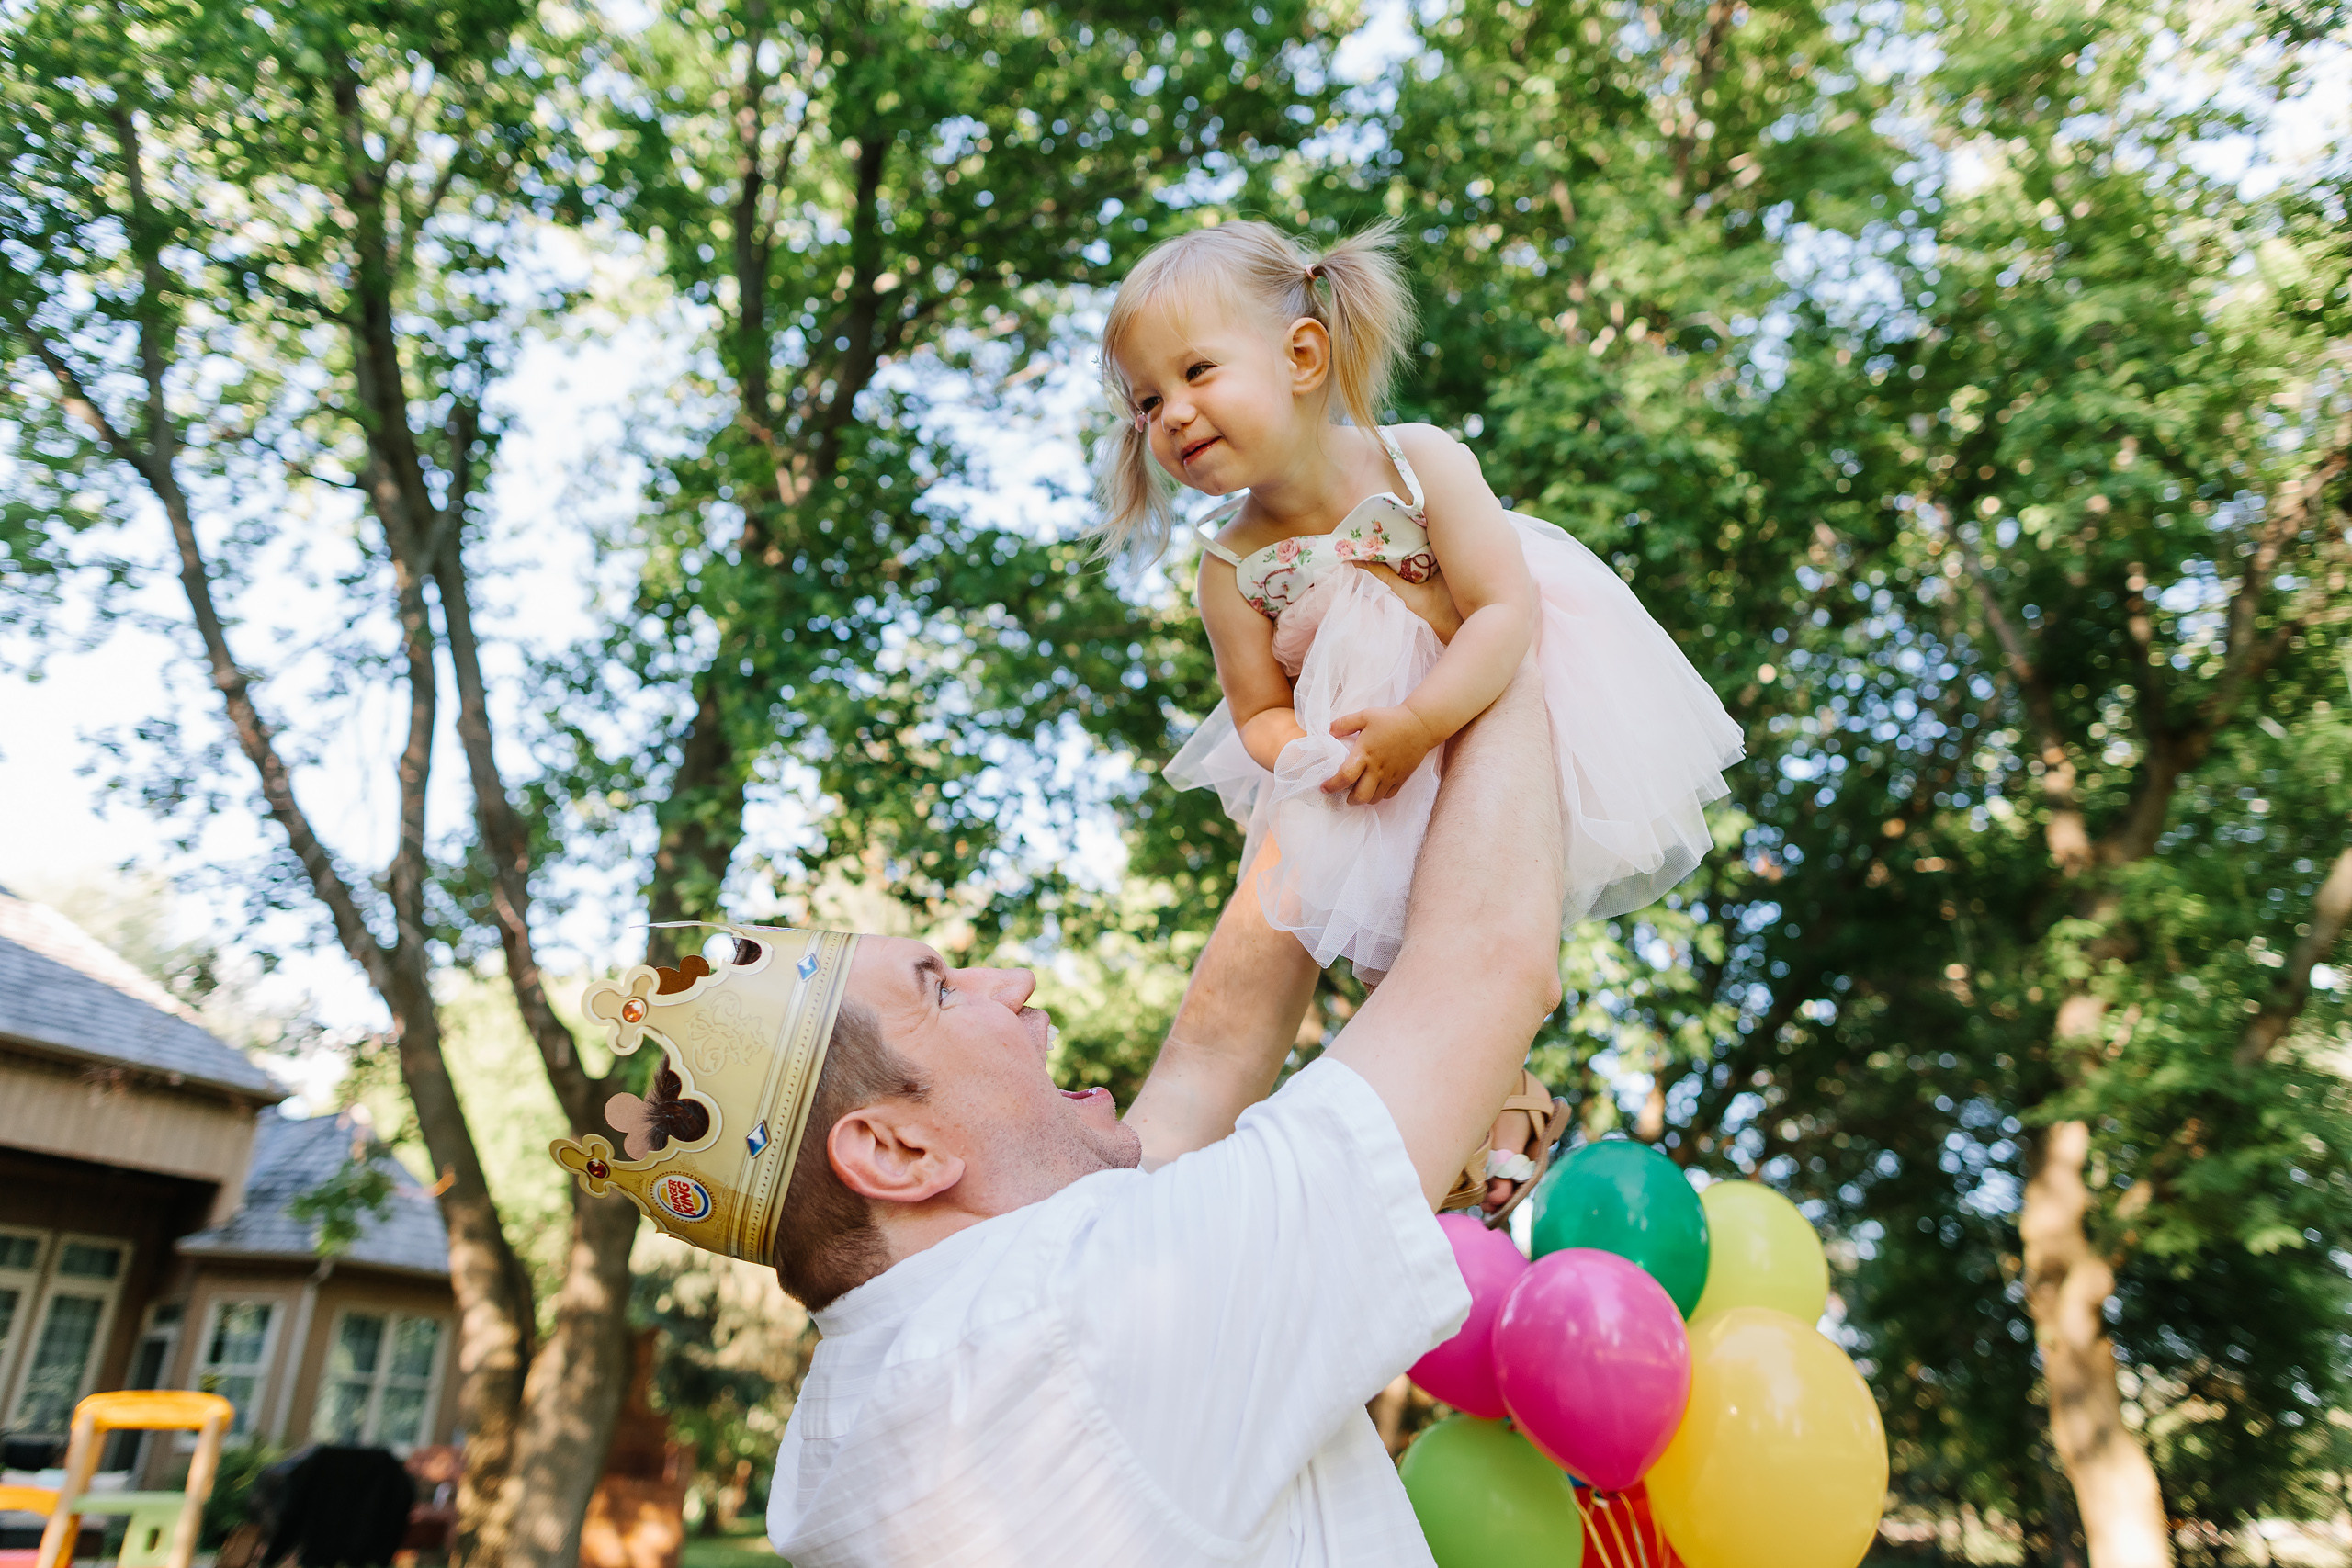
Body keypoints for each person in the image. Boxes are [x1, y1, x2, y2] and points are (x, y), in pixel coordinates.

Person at [760, 658, 1567, 1566]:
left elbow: (1207, 1062)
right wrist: (1497, 632)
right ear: (895, 1151)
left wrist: (1332, 725)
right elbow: (1490, 958)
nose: (1013, 981)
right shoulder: (1083, 1327)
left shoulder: (886, 1390)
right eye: (939, 991)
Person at [1091, 219, 1742, 1095]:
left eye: (1197, 371)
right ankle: (1473, 1107)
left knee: (1494, 909)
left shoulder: (1417, 461)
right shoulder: (1229, 568)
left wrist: (1420, 721)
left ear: (1303, 357)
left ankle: (1508, 1087)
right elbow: (1258, 712)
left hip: (1487, 705)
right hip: (1369, 760)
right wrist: (1312, 755)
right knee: (1388, 946)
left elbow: (1503, 612)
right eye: (1146, 401)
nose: (1170, 414)